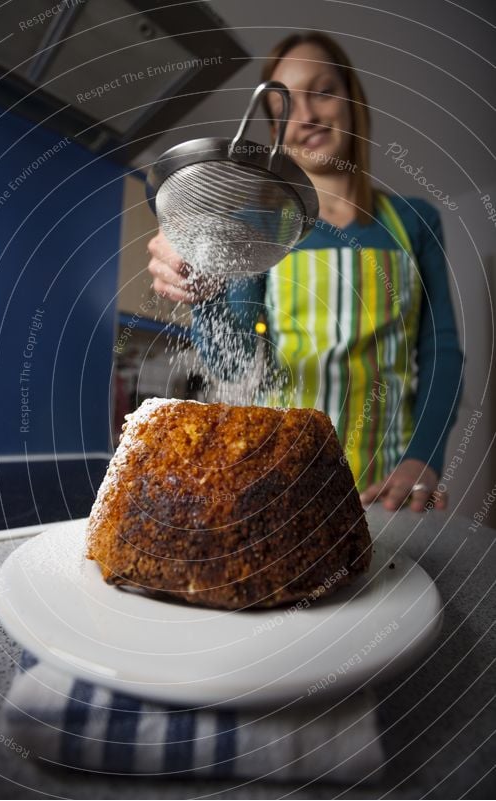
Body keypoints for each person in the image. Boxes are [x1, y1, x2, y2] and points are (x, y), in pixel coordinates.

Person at [148, 31, 463, 512]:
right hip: (281, 481)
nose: (308, 117)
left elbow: (440, 351)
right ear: (275, 131)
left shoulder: (415, 221)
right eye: (285, 107)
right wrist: (203, 288)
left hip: (388, 488)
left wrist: (424, 458)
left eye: (322, 92)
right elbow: (231, 366)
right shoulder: (258, 229)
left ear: (352, 99)